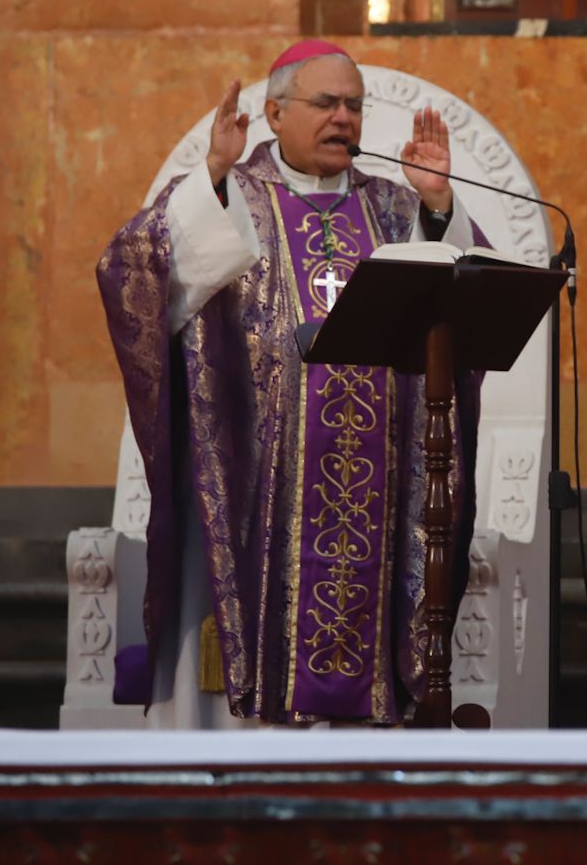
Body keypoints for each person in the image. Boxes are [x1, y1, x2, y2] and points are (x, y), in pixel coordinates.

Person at [98, 40, 481, 727]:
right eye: (326, 103)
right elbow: (133, 272)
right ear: (274, 112)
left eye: (354, 106)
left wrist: (439, 207)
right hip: (258, 489)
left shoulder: (395, 208)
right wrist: (210, 176)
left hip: (378, 487)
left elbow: (465, 313)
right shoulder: (234, 195)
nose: (344, 119)